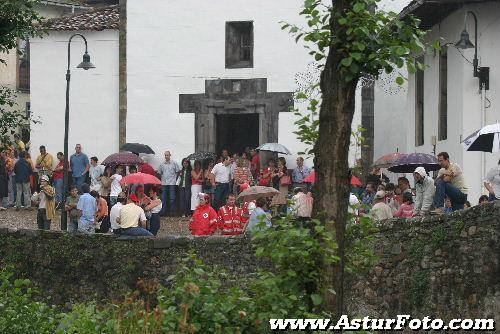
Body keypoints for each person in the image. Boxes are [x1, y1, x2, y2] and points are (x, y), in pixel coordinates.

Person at [157, 151, 180, 216]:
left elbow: (178, 172)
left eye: (167, 155)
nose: (166, 156)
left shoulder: (174, 163)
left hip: (172, 183)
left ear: (170, 155)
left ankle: (172, 212)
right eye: (165, 155)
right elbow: (159, 173)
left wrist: (175, 180)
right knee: (164, 198)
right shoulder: (162, 164)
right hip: (164, 183)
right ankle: (164, 212)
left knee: (172, 198)